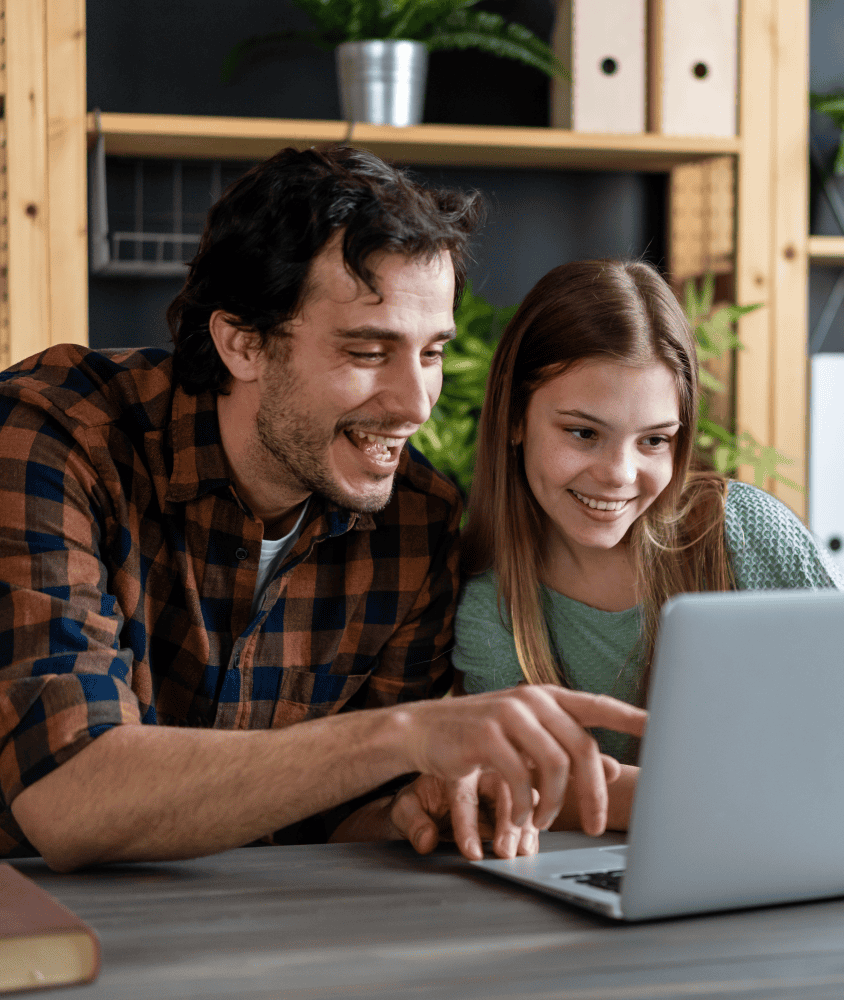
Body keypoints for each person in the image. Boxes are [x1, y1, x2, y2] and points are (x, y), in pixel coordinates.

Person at [0, 147, 646, 871]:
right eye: (370, 352)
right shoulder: (55, 439)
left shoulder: (416, 518)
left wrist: (400, 806)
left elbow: (332, 811)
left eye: (431, 354)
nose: (415, 405)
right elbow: (66, 797)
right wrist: (401, 736)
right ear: (242, 342)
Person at [453, 258, 844, 834]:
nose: (619, 474)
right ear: (516, 417)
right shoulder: (492, 607)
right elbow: (522, 789)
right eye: (584, 433)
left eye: (654, 441)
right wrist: (750, 795)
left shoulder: (742, 532)